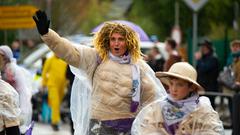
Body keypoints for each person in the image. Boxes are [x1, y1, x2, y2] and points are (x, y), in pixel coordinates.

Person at [33, 10, 166, 135]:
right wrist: (47, 34)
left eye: (121, 39)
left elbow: (152, 100)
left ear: (129, 42)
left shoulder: (138, 67)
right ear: (107, 41)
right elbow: (70, 51)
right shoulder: (97, 58)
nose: (117, 43)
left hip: (128, 126)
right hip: (99, 125)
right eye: (113, 39)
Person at [131, 62, 224, 135]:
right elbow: (145, 130)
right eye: (171, 84)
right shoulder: (157, 108)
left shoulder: (203, 110)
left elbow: (212, 131)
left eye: (180, 85)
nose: (174, 89)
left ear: (191, 87)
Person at [0, 45, 32, 135]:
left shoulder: (14, 70)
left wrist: (22, 112)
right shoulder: (4, 70)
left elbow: (23, 91)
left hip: (15, 103)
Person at [41, 54, 67, 131]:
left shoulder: (64, 60)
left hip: (62, 86)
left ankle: (55, 119)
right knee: (55, 103)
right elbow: (44, 71)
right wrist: (44, 83)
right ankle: (54, 122)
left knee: (58, 103)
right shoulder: (50, 60)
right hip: (52, 85)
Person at [195, 39, 219, 109]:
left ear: (208, 47)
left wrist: (199, 59)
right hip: (202, 88)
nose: (201, 48)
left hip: (210, 89)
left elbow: (204, 69)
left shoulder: (213, 58)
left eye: (203, 46)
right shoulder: (203, 58)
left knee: (210, 108)